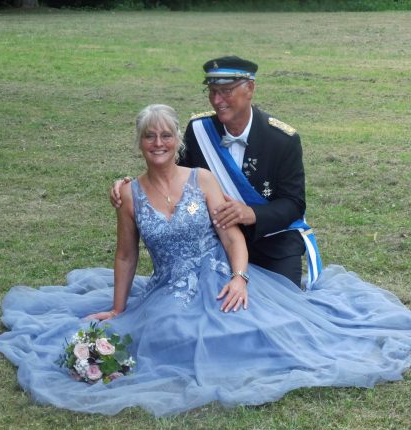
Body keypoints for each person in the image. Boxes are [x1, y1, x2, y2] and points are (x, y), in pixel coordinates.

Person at [0, 104, 411, 417]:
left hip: (219, 275)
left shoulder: (203, 179)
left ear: (177, 140)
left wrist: (240, 278)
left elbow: (232, 236)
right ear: (139, 143)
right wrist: (117, 307)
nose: (158, 142)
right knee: (171, 333)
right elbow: (127, 254)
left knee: (255, 326)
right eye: (150, 136)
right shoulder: (129, 195)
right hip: (169, 287)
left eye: (166, 135)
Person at [110, 56, 319, 288]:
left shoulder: (282, 140)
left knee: (281, 305)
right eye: (212, 91)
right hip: (218, 246)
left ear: (250, 88)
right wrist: (130, 186)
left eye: (226, 91)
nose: (217, 101)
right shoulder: (200, 131)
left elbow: (294, 203)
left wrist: (251, 213)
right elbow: (172, 174)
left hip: (273, 244)